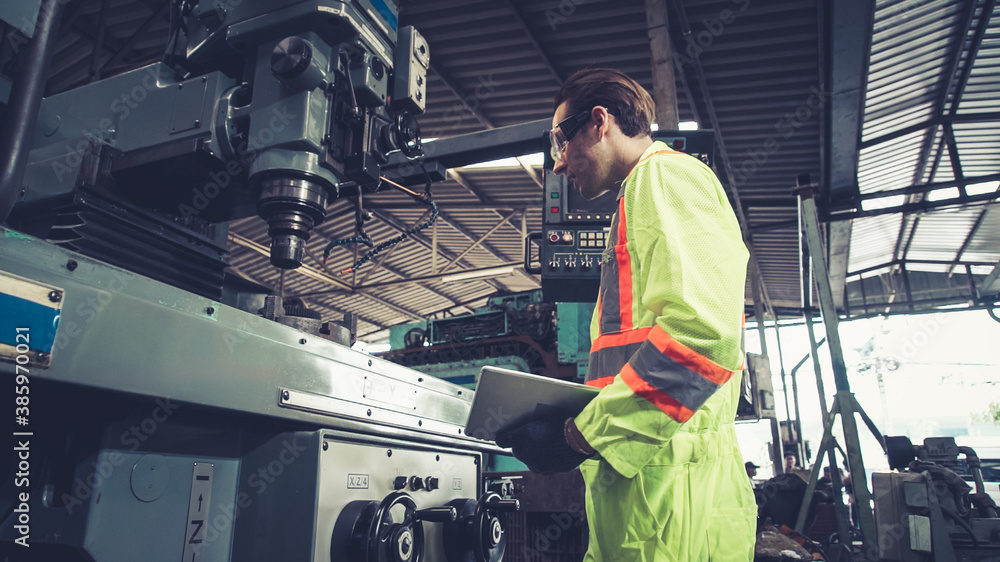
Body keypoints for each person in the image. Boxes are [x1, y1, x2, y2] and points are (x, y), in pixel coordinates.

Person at [495, 68, 755, 561]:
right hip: (653, 492)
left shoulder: (665, 178)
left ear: (599, 122)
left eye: (559, 140)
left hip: (669, 506)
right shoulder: (644, 193)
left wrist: (578, 437)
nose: (556, 164)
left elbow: (701, 337)